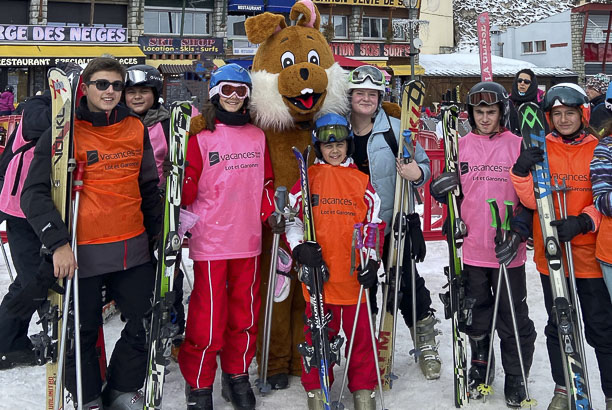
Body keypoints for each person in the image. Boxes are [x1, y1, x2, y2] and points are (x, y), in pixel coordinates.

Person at [20, 57, 162, 410]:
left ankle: (121, 388)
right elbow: (33, 194)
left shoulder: (135, 128)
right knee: (80, 333)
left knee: (145, 321)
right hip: (81, 251)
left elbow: (147, 187)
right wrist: (57, 244)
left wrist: (162, 236)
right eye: (102, 84)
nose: (111, 91)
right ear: (85, 87)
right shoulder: (63, 131)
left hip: (132, 247)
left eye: (117, 85)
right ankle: (87, 394)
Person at [178, 64, 278, 410]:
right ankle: (199, 383)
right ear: (214, 93)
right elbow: (187, 186)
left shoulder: (257, 136)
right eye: (227, 90)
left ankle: (236, 375)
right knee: (208, 318)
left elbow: (266, 184)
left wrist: (271, 215)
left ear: (248, 95)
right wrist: (176, 192)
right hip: (212, 241)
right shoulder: (202, 137)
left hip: (248, 240)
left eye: (240, 90)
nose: (233, 97)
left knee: (244, 316)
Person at [429, 81, 536, 407]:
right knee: (475, 312)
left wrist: (520, 232)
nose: (485, 118)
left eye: (491, 112)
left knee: (511, 316)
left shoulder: (517, 145)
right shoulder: (459, 145)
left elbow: (532, 200)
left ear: (502, 112)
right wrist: (439, 189)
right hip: (472, 248)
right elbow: (451, 193)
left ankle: (516, 375)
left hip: (507, 248)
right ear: (471, 113)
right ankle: (480, 364)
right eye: (479, 112)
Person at [510, 83, 612, 410]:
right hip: (552, 254)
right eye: (557, 114)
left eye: (570, 113)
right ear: (549, 117)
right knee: (560, 324)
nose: (564, 120)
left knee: (601, 326)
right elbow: (530, 198)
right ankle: (564, 387)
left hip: (589, 255)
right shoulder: (542, 147)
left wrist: (584, 221)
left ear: (583, 114)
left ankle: (610, 391)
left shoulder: (598, 147)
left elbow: (602, 195)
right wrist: (522, 170)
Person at [346, 65, 440, 380]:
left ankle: (425, 344)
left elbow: (424, 165)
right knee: (364, 289)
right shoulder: (337, 131)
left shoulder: (397, 130)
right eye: (360, 93)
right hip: (356, 230)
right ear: (350, 95)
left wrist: (418, 174)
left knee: (407, 284)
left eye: (372, 94)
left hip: (393, 220)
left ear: (379, 97)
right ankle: (368, 349)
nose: (366, 99)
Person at [285, 113, 385, 410]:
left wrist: (372, 261)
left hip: (353, 277)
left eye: (340, 145)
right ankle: (317, 387)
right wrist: (299, 249)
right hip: (320, 278)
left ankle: (363, 388)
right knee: (317, 336)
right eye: (328, 146)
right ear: (318, 147)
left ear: (348, 145)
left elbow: (373, 225)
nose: (335, 151)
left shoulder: (361, 182)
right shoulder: (307, 179)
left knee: (361, 339)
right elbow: (293, 222)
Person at [123, 64, 186, 350]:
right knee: (136, 266)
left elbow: (182, 157)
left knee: (166, 265)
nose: (137, 97)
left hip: (160, 206)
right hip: (125, 206)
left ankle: (173, 322)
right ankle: (137, 314)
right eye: (131, 92)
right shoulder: (116, 123)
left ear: (155, 93)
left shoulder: (166, 122)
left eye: (143, 92)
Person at [0, 91, 50, 370]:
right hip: (19, 207)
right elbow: (37, 122)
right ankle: (5, 343)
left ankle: (12, 341)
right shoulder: (37, 106)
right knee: (32, 280)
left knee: (35, 277)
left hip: (46, 208)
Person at [508, 68, 544, 136]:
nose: (522, 84)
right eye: (519, 80)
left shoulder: (540, 100)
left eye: (526, 82)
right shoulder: (509, 100)